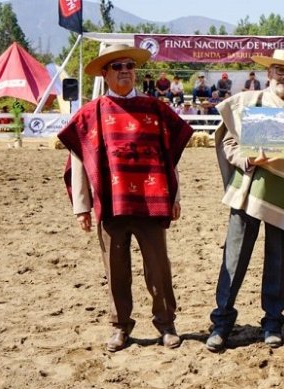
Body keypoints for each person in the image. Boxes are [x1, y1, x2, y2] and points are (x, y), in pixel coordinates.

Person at [57, 44, 194, 353]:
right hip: (111, 204)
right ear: (105, 73)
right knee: (115, 269)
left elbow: (168, 159)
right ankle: (121, 327)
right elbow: (79, 159)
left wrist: (175, 196)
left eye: (129, 65)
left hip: (153, 201)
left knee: (158, 268)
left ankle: (166, 324)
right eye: (117, 66)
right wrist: (82, 206)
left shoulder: (156, 109)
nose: (124, 71)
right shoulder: (91, 113)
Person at [206, 49, 284, 352]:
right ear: (269, 74)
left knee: (278, 262)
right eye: (279, 70)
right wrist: (246, 158)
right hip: (250, 192)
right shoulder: (248, 103)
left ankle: (273, 323)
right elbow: (227, 142)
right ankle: (221, 324)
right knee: (234, 260)